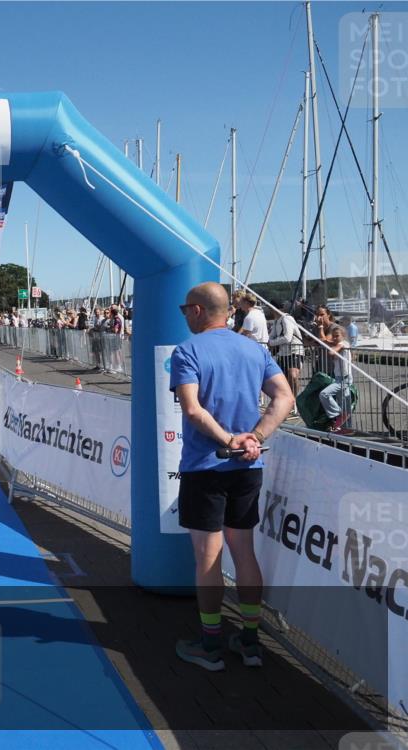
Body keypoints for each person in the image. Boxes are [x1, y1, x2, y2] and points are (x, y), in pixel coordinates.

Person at [170, 282, 294, 671]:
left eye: (184, 310)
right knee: (244, 553)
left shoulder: (187, 350)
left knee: (208, 559)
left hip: (208, 466)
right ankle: (251, 642)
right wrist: (254, 439)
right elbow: (285, 397)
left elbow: (192, 410)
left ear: (197, 311)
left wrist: (229, 440)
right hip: (247, 467)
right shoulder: (254, 349)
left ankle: (210, 647)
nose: (184, 316)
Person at [266, 300, 304, 402]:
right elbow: (272, 336)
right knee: (282, 378)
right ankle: (288, 400)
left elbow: (287, 337)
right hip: (283, 352)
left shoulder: (287, 318)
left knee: (293, 375)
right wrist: (270, 341)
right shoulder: (276, 321)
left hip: (294, 350)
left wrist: (272, 343)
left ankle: (294, 400)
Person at [319, 325, 353, 434]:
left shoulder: (344, 344)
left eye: (337, 336)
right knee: (345, 404)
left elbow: (331, 352)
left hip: (344, 378)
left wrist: (331, 345)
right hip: (339, 377)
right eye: (333, 336)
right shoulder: (338, 344)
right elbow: (323, 340)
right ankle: (347, 428)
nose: (334, 338)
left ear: (343, 336)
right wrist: (320, 328)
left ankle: (339, 415)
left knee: (324, 394)